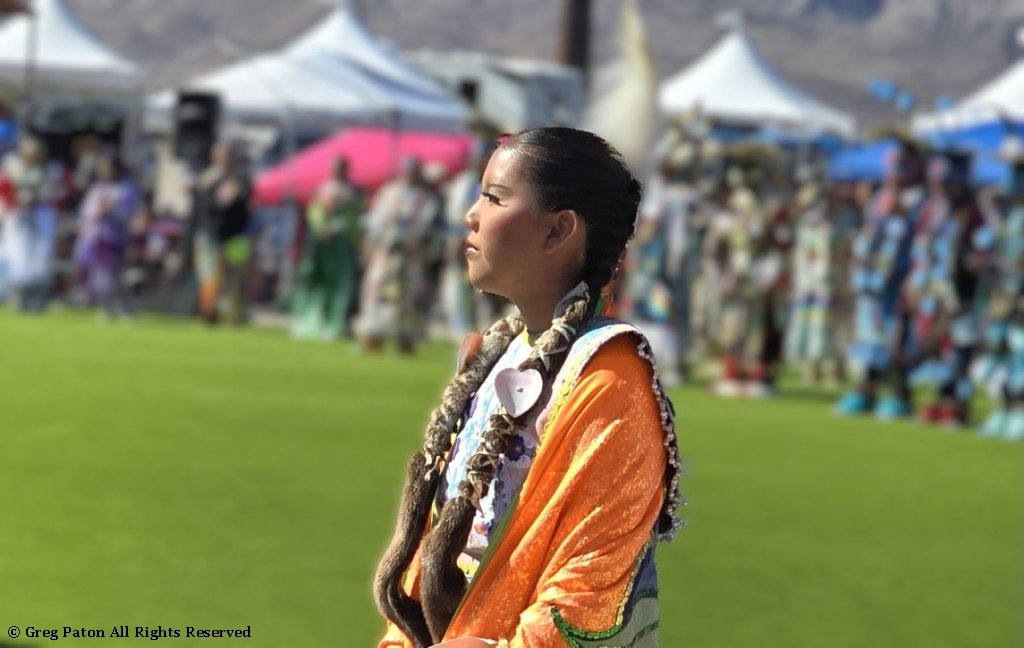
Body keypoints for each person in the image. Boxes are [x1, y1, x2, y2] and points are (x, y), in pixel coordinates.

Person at [373, 128, 682, 648]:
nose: (471, 214)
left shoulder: (610, 380)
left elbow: (587, 591)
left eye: (493, 197)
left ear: (558, 230)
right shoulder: (495, 354)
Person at [355, 157, 441, 353]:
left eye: (414, 170)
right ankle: (373, 335)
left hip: (409, 255)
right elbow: (376, 220)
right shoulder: (390, 192)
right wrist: (375, 241)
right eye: (407, 170)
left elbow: (424, 226)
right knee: (376, 293)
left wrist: (410, 238)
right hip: (384, 253)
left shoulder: (426, 198)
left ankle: (406, 339)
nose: (410, 174)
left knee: (408, 297)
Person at [291, 158, 363, 340]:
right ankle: (310, 322)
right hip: (320, 244)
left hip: (341, 245)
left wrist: (335, 228)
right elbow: (313, 211)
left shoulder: (354, 192)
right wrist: (322, 228)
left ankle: (335, 324)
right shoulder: (322, 189)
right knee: (313, 281)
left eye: (341, 169)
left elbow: (353, 217)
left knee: (339, 285)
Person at [190, 141, 252, 325]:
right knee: (209, 278)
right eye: (220, 155)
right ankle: (209, 315)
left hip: (235, 238)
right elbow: (204, 203)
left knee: (235, 280)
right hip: (210, 235)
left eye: (227, 155)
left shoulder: (240, 179)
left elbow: (240, 196)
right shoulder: (207, 178)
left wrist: (232, 191)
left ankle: (233, 317)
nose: (223, 159)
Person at [74, 155, 141, 320]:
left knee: (117, 275)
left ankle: (124, 307)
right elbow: (87, 211)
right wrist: (93, 214)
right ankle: (106, 306)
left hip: (116, 237)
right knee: (100, 275)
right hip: (98, 237)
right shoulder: (98, 188)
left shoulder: (127, 188)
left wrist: (112, 210)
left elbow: (130, 213)